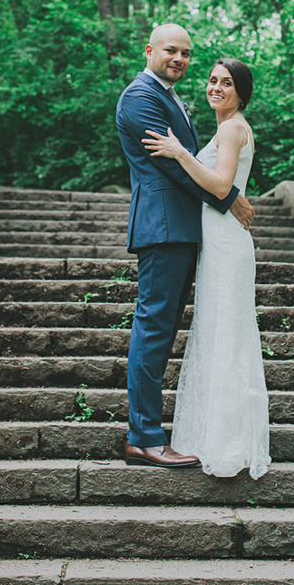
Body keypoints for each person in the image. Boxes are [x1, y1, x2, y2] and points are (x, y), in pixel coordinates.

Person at [116, 24, 255, 468]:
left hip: (183, 229)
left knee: (163, 329)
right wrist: (229, 196)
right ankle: (144, 437)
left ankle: (151, 431)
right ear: (150, 50)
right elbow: (173, 164)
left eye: (186, 53)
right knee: (154, 328)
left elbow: (191, 158)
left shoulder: (170, 96)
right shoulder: (140, 97)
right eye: (171, 50)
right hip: (163, 226)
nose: (179, 58)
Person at [142, 57, 270, 480]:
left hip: (227, 242)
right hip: (214, 242)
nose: (216, 87)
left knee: (226, 336)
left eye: (227, 83)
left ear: (241, 91)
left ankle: (226, 443)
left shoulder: (233, 127)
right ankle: (212, 435)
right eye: (213, 80)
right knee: (217, 333)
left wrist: (179, 151)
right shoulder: (224, 126)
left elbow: (220, 185)